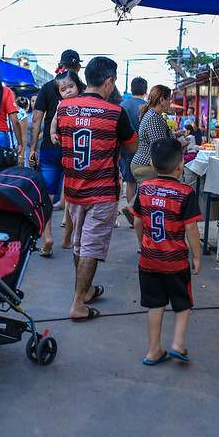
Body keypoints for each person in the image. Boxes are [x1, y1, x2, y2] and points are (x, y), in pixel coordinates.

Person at [55, 56, 138, 322]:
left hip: (74, 188)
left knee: (80, 244)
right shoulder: (115, 113)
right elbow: (133, 146)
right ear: (109, 81)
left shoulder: (65, 108)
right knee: (89, 248)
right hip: (101, 191)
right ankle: (78, 304)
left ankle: (87, 290)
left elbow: (57, 136)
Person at [133, 138, 201, 365]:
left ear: (152, 164)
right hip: (176, 262)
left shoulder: (143, 189)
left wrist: (143, 245)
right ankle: (177, 344)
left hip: (149, 261)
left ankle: (153, 351)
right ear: (181, 165)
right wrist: (197, 256)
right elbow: (191, 228)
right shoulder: (185, 193)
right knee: (182, 304)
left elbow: (137, 222)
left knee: (155, 305)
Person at [29, 49, 82, 242]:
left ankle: (47, 236)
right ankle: (67, 237)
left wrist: (33, 148)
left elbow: (36, 120)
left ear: (61, 64)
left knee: (48, 193)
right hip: (75, 149)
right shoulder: (81, 89)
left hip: (50, 149)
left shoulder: (47, 87)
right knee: (71, 194)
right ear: (78, 67)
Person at [131, 85, 189, 185]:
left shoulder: (154, 116)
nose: (170, 103)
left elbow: (159, 137)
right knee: (148, 197)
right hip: (146, 165)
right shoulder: (154, 118)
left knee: (146, 197)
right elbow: (160, 147)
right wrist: (179, 145)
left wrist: (175, 135)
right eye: (169, 99)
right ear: (162, 100)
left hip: (147, 164)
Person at [119, 77, 148, 226]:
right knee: (145, 182)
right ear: (146, 90)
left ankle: (131, 214)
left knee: (130, 181)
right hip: (144, 149)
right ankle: (133, 209)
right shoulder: (147, 107)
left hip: (125, 148)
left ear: (131, 90)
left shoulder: (122, 105)